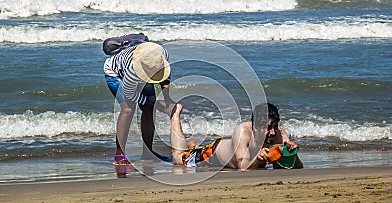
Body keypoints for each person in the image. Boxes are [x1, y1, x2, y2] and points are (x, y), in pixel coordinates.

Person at [104, 35, 174, 175]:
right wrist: (155, 104)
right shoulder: (132, 72)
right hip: (115, 73)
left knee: (150, 109)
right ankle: (120, 155)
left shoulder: (161, 53)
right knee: (128, 109)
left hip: (142, 71)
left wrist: (168, 100)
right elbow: (130, 94)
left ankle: (148, 153)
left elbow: (165, 79)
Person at [170, 102, 303, 170]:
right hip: (213, 153)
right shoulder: (243, 132)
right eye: (267, 128)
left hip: (226, 159)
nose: (272, 132)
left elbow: (297, 167)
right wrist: (258, 157)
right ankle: (174, 112)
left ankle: (194, 146)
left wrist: (293, 153)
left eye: (274, 126)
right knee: (177, 158)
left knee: (192, 151)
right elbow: (242, 167)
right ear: (255, 126)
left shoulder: (279, 133)